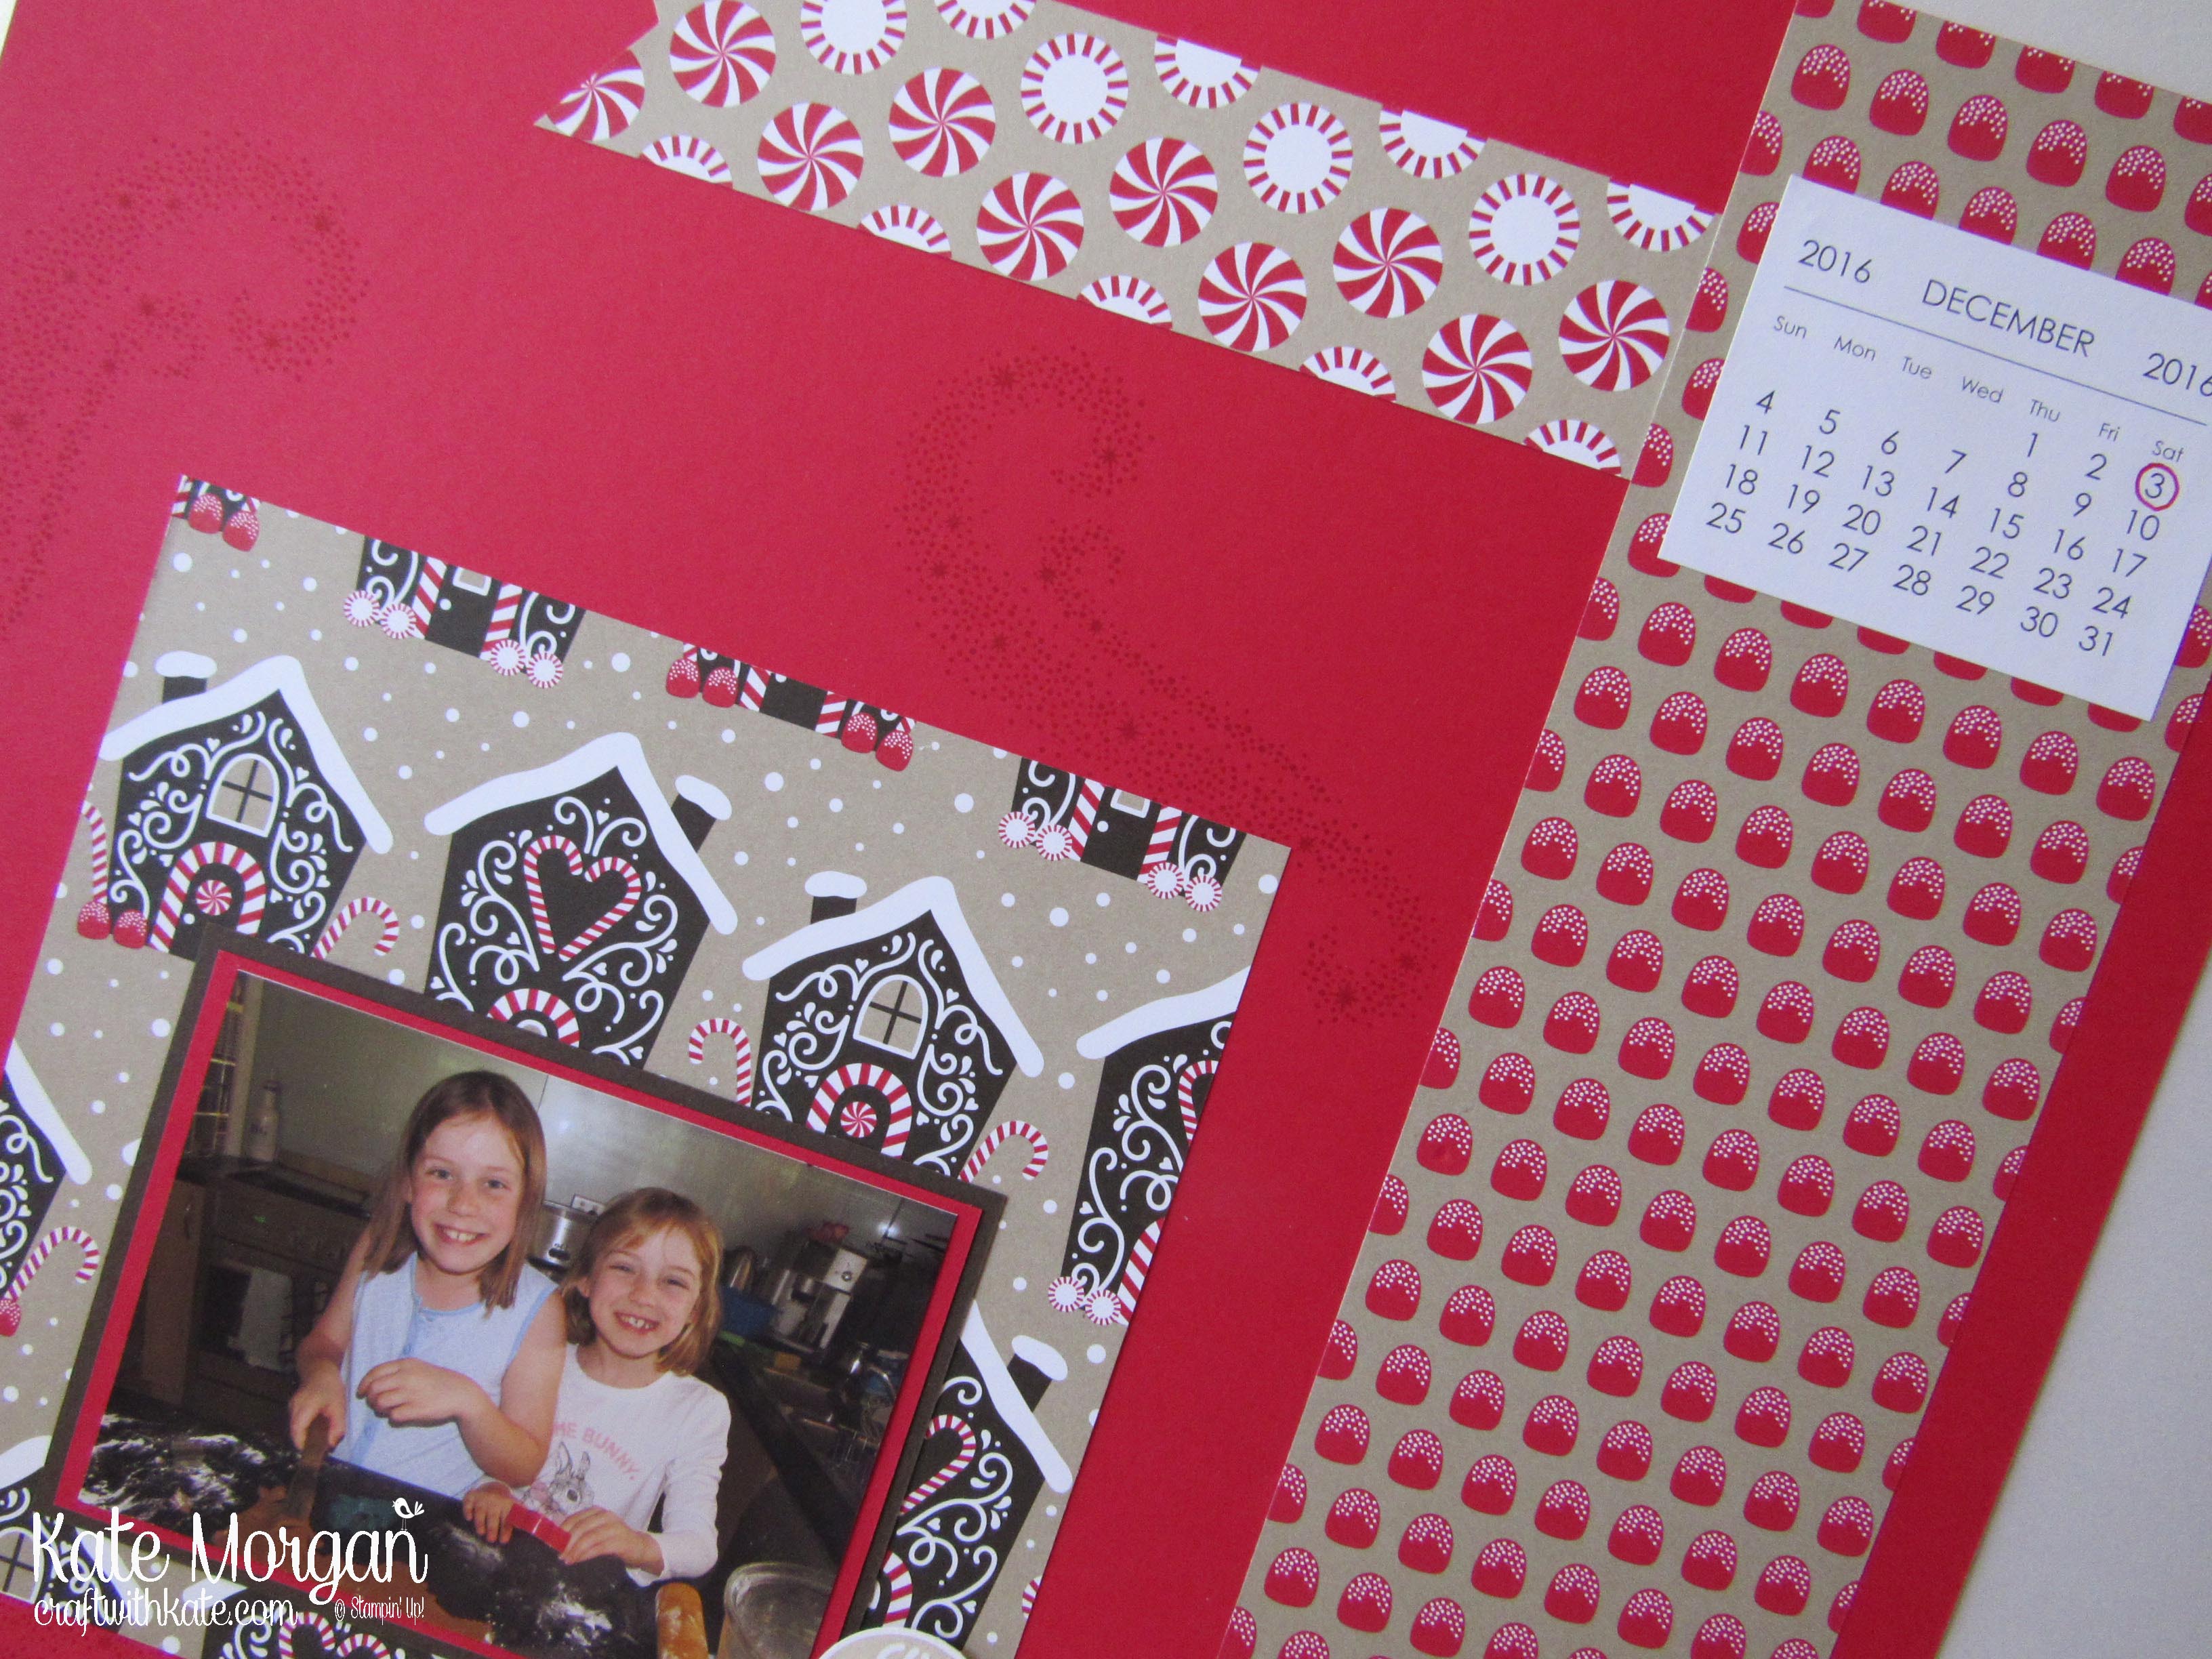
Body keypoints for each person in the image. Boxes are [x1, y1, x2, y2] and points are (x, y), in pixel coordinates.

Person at [288, 1070, 565, 1500]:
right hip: (325, 1490)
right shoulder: (377, 1247)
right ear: (407, 1181)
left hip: (418, 1527)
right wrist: (322, 1374)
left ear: (525, 1200)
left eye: (494, 1184)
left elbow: (523, 1464)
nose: (463, 1204)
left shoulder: (539, 1310)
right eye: (441, 1173)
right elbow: (324, 1342)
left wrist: (469, 1403)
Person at [463, 1187, 731, 1583]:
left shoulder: (699, 1409)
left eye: (674, 1282)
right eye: (624, 1268)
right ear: (586, 1280)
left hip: (586, 1596)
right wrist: (490, 1487)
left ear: (696, 1310)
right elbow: (488, 1452)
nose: (644, 1295)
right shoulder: (538, 1359)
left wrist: (636, 1545)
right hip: (494, 1567)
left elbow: (699, 1546)